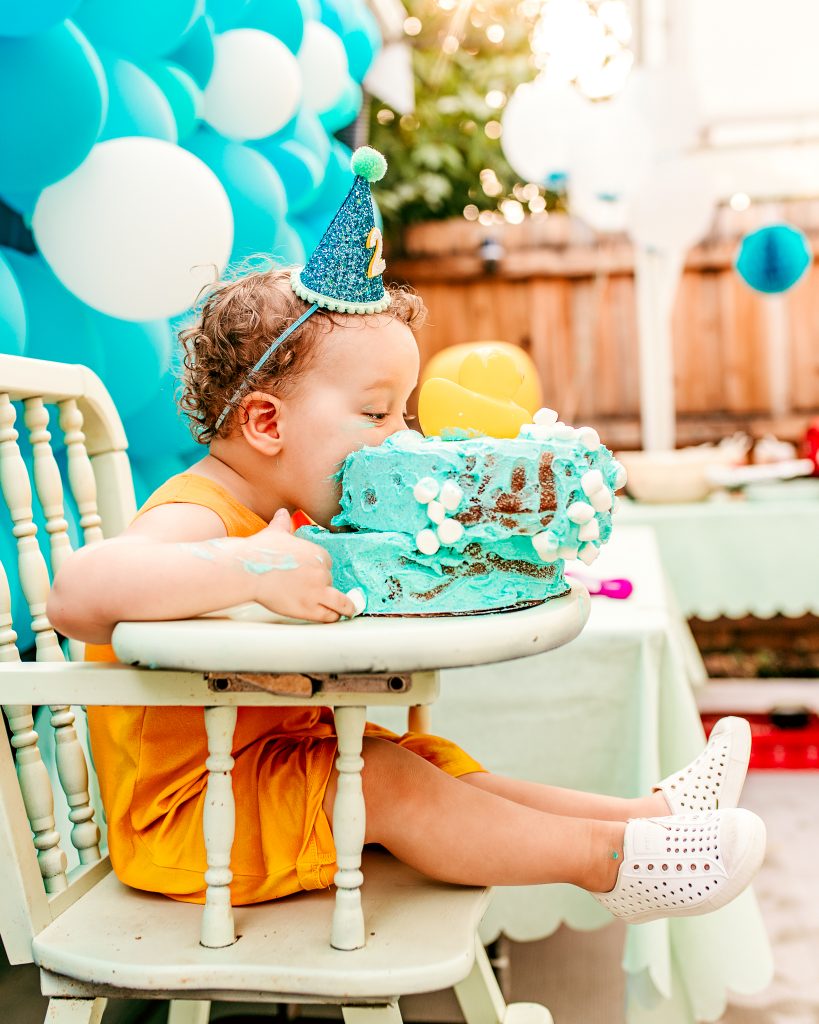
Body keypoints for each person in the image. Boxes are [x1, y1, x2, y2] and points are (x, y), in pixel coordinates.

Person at [47, 149, 765, 925]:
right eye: (375, 413)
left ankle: (644, 819)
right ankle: (607, 867)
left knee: (420, 764)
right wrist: (253, 565)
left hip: (269, 768)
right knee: (384, 780)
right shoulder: (202, 510)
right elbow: (77, 594)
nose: (398, 437)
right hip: (191, 820)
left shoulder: (302, 513)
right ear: (266, 423)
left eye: (403, 412)